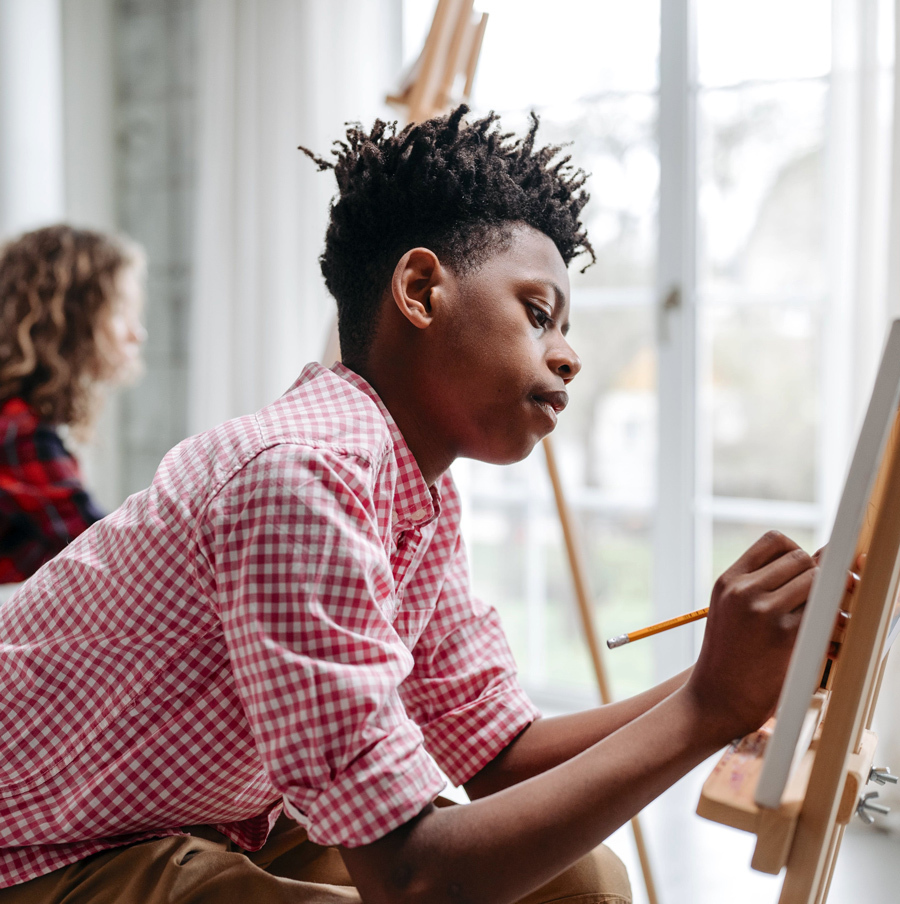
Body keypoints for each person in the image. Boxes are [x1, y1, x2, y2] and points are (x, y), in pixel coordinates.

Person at [0, 108, 817, 904]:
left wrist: (722, 678)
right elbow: (411, 876)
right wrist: (712, 707)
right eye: (539, 315)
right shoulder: (301, 478)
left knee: (585, 882)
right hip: (51, 848)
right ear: (421, 290)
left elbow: (501, 751)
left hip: (208, 817)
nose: (568, 355)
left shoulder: (419, 496)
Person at [0, 224, 146, 583]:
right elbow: (108, 555)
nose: (136, 333)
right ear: (68, 321)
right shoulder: (21, 432)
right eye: (118, 312)